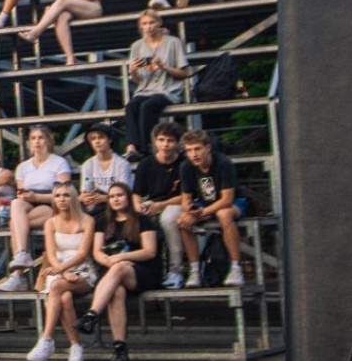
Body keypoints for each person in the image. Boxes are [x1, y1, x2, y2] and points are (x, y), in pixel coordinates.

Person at [78, 183, 161, 361]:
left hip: (142, 271)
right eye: (112, 196)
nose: (115, 199)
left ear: (128, 197)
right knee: (117, 292)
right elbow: (97, 251)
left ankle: (92, 314)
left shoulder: (142, 220)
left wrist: (120, 258)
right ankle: (119, 349)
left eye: (120, 195)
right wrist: (109, 261)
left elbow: (150, 251)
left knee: (120, 268)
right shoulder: (102, 220)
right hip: (113, 273)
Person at [27, 182, 97, 361]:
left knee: (57, 286)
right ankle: (76, 346)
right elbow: (51, 254)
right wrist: (63, 272)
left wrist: (62, 270)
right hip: (59, 270)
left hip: (82, 271)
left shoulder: (87, 220)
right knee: (64, 297)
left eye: (66, 195)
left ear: (73, 197)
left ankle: (47, 338)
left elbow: (83, 254)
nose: (62, 199)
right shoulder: (50, 222)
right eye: (57, 196)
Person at [0, 125, 74, 289]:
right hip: (29, 205)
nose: (37, 141)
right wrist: (27, 197)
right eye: (33, 138)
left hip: (52, 203)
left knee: (14, 224)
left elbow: (66, 194)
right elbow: (21, 193)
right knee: (16, 203)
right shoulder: (23, 167)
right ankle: (21, 254)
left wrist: (37, 197)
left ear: (48, 140)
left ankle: (18, 275)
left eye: (41, 137)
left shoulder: (59, 163)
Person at [176, 129, 245, 287]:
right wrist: (189, 210)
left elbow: (227, 200)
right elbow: (186, 198)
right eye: (189, 150)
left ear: (207, 148)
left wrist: (203, 212)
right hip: (205, 204)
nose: (194, 154)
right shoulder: (186, 166)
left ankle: (236, 268)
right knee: (182, 220)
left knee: (223, 214)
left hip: (234, 202)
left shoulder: (223, 163)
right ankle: (195, 270)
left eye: (197, 149)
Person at [134, 121, 193, 284]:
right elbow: (136, 193)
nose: (165, 144)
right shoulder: (146, 163)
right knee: (133, 218)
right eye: (161, 140)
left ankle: (176, 271)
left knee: (168, 219)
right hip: (152, 203)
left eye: (170, 140)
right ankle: (144, 272)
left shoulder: (184, 164)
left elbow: (187, 195)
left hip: (177, 204)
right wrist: (138, 207)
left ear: (178, 143)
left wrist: (160, 205)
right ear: (155, 141)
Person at [123, 12, 190, 153]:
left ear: (159, 23)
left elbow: (185, 73)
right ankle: (131, 147)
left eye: (151, 23)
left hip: (168, 90)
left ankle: (146, 147)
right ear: (140, 26)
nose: (148, 27)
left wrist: (164, 67)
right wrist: (133, 70)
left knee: (147, 106)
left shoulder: (173, 42)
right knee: (131, 106)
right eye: (144, 24)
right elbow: (137, 80)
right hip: (145, 89)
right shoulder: (137, 46)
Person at [77, 122, 134, 211]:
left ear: (109, 139)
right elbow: (85, 189)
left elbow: (126, 193)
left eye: (101, 137)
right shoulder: (88, 165)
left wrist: (104, 198)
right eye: (93, 139)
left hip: (118, 204)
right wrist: (86, 197)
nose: (97, 141)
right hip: (95, 204)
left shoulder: (122, 164)